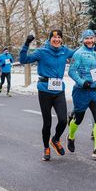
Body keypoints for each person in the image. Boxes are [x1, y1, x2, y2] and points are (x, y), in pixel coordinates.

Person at [19, 30, 74, 161]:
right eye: (54, 37)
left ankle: (55, 139)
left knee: (62, 120)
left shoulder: (64, 51)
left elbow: (79, 52)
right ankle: (46, 148)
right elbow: (23, 60)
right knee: (47, 122)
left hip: (59, 89)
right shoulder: (41, 52)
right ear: (49, 39)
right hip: (45, 90)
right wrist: (26, 43)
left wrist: (91, 44)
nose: (57, 39)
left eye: (59, 37)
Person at [67, 29, 96, 160]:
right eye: (87, 38)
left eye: (91, 38)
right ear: (83, 40)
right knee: (78, 119)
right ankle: (71, 136)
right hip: (82, 91)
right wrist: (82, 82)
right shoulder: (79, 53)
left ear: (95, 38)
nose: (89, 41)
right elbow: (72, 71)